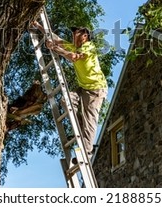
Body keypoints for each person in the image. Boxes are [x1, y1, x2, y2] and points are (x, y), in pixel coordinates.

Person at [32, 21, 108, 159]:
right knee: (66, 100)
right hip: (83, 88)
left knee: (90, 121)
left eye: (75, 34)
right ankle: (79, 125)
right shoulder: (74, 47)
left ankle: (87, 153)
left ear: (84, 36)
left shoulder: (89, 47)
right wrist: (38, 26)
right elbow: (57, 39)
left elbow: (73, 57)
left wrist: (55, 48)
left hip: (96, 90)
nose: (73, 36)